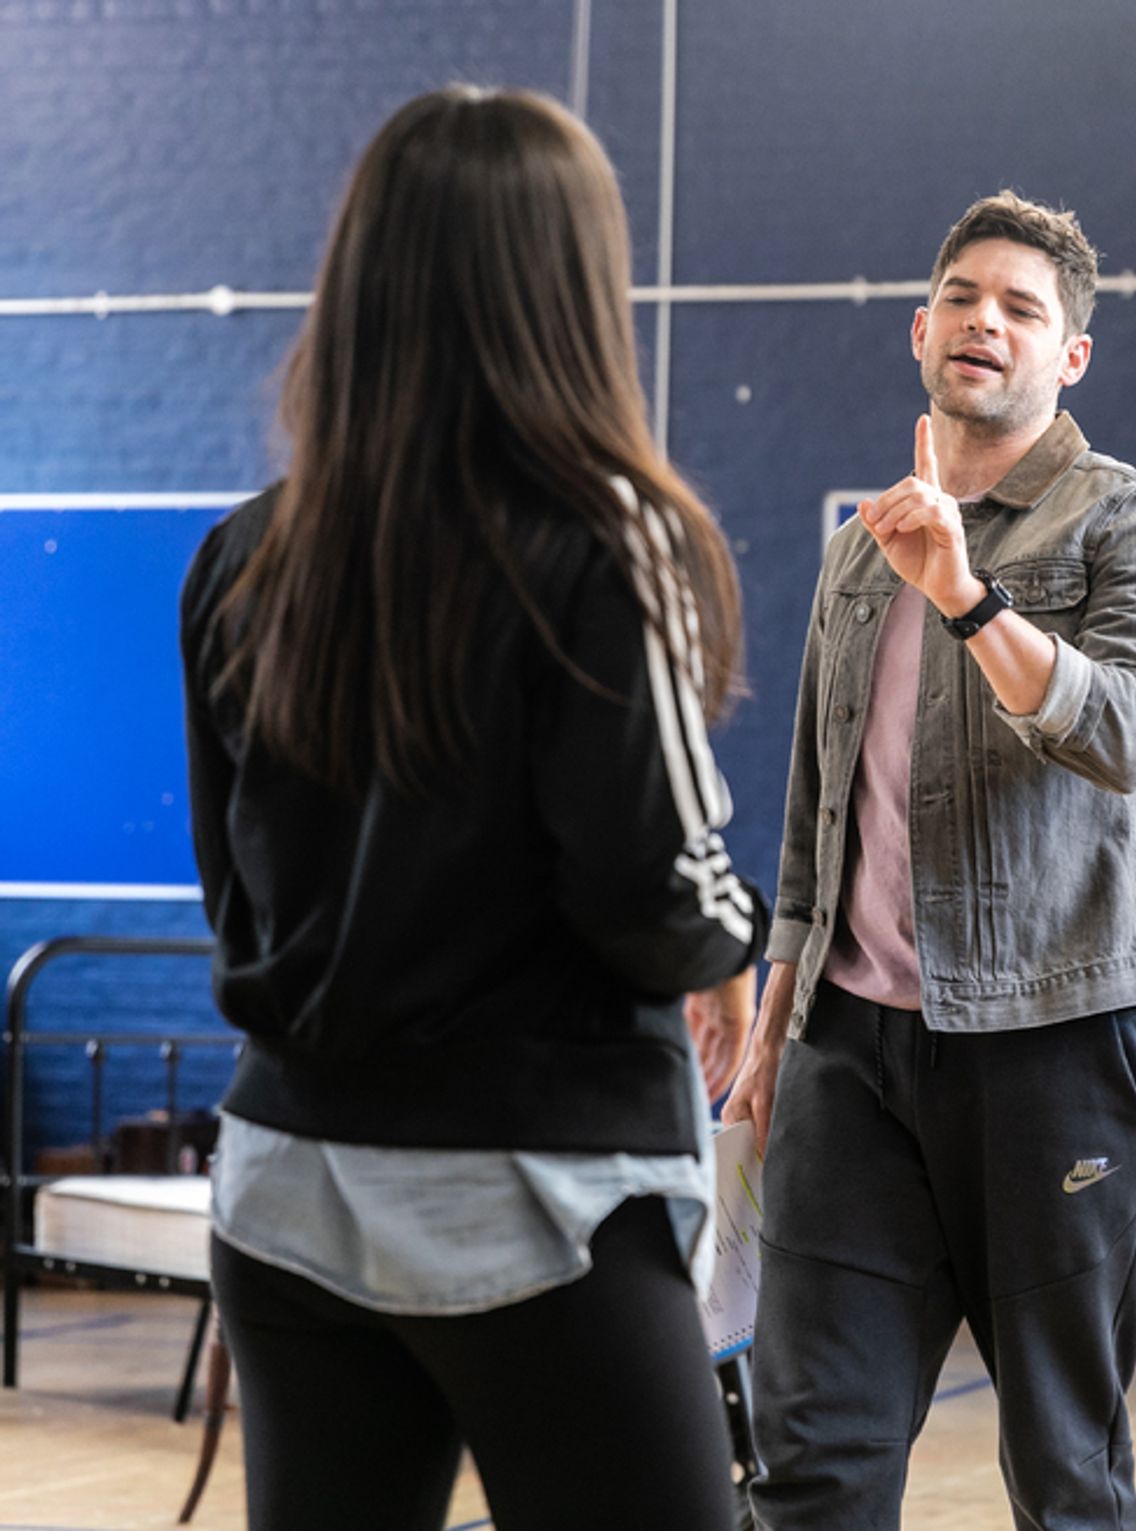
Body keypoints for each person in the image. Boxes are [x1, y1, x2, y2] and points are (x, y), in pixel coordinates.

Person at [180, 85, 767, 1531]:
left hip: (286, 1186)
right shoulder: (609, 538)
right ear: (567, 285)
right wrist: (729, 948)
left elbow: (235, 890)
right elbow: (650, 886)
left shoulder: (246, 556)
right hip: (535, 1196)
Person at [723, 191, 1136, 1530]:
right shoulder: (852, 557)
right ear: (920, 329)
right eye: (965, 298)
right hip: (848, 1059)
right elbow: (816, 816)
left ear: (1071, 358)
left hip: (1055, 1052)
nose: (987, 322)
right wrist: (775, 1025)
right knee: (810, 1462)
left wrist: (969, 596)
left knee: (1064, 1475)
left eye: (1023, 309)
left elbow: (1122, 734)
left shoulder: (1133, 522)